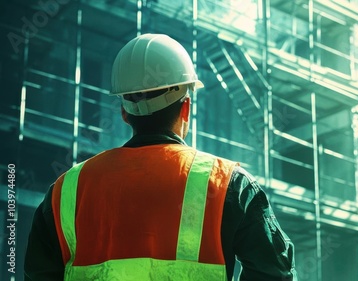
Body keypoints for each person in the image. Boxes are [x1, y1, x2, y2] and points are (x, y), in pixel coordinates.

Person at [24, 33, 297, 281]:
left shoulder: (66, 191)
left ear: (124, 112)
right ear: (186, 108)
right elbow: (275, 274)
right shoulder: (229, 185)